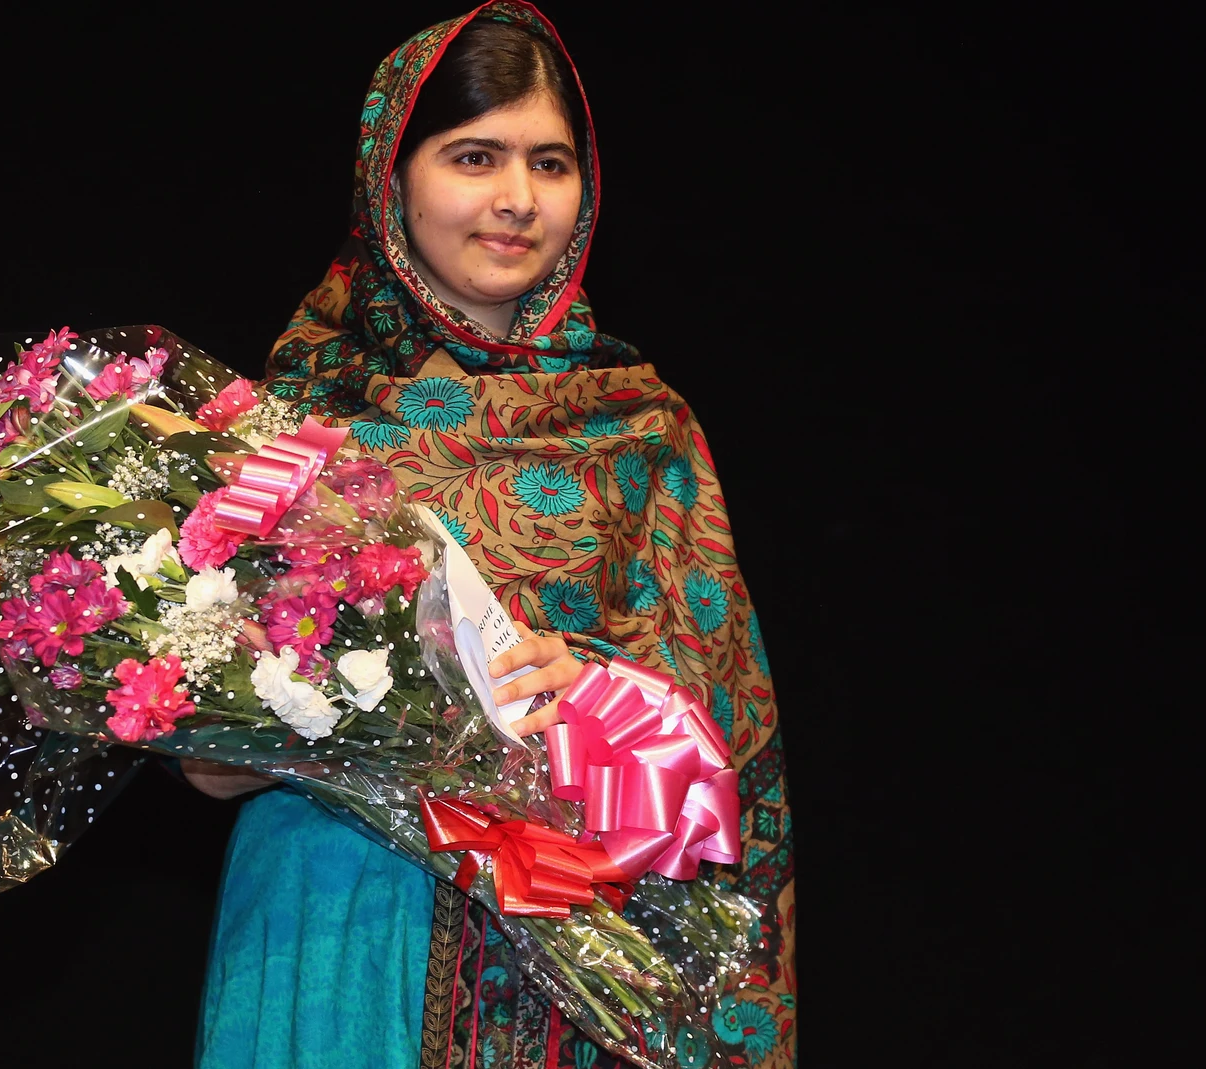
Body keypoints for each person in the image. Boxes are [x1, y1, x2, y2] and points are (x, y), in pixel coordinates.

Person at [182, 4, 796, 1068]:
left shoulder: (640, 426)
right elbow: (206, 768)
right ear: (393, 177)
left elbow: (727, 717)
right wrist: (312, 712)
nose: (517, 201)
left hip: (578, 930)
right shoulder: (292, 423)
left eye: (549, 164)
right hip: (336, 925)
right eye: (475, 157)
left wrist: (606, 696)